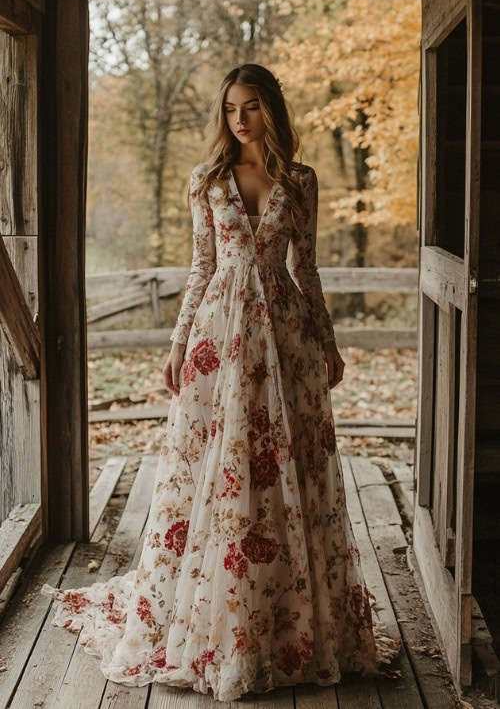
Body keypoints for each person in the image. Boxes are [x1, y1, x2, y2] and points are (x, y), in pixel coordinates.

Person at [41, 63, 401, 702]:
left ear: (273, 110)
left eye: (253, 107)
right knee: (220, 467)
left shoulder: (300, 180)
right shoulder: (206, 181)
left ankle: (286, 619)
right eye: (232, 108)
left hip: (284, 336)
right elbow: (202, 267)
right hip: (220, 338)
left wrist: (328, 341)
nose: (240, 119)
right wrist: (179, 343)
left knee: (286, 467)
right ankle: (219, 619)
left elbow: (307, 270)